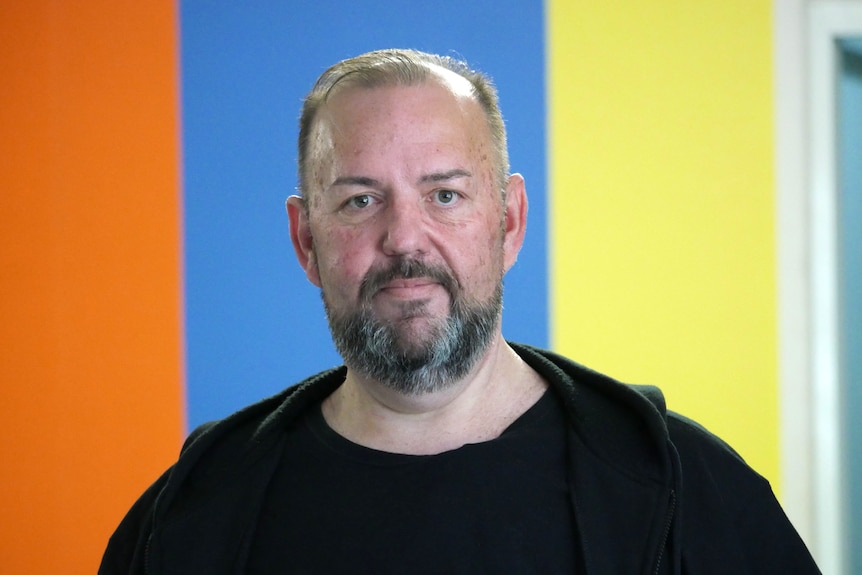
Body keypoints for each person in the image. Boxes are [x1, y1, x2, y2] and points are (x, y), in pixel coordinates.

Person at [100, 48, 820, 574]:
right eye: (359, 200)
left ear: (508, 220)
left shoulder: (680, 490)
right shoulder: (193, 511)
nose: (404, 238)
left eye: (444, 194)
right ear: (305, 240)